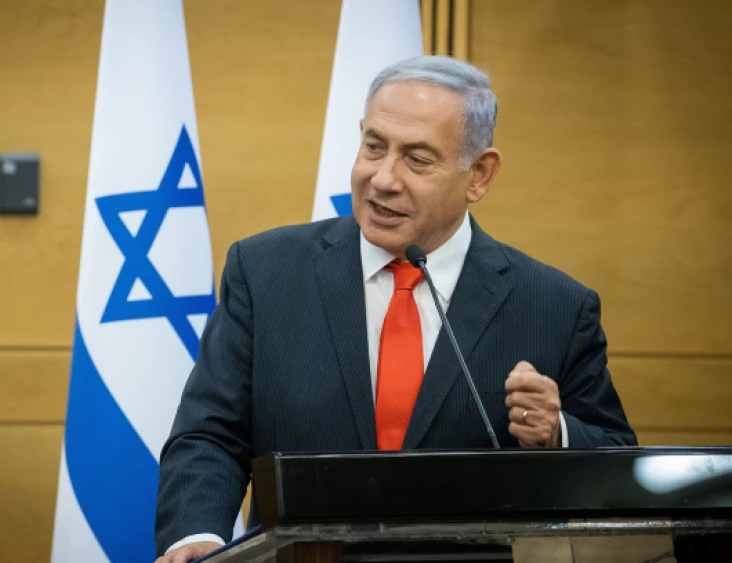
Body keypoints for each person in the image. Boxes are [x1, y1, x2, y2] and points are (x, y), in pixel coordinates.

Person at [154, 55, 636, 563]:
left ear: (479, 175)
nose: (383, 178)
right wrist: (197, 536)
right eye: (374, 147)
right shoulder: (266, 272)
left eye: (417, 159)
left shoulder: (554, 306)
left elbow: (621, 462)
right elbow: (209, 433)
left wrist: (558, 435)